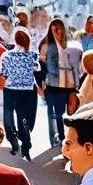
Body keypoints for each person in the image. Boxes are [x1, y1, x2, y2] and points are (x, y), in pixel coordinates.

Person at [38, 18, 82, 148]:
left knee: (69, 113)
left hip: (69, 86)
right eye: (54, 28)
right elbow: (43, 68)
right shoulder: (47, 46)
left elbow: (78, 67)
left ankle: (68, 139)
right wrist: (40, 86)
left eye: (59, 28)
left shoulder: (72, 46)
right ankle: (58, 140)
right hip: (53, 86)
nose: (57, 31)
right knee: (55, 115)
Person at [0, 28, 40, 160]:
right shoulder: (33, 55)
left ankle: (14, 142)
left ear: (15, 40)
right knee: (25, 118)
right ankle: (26, 145)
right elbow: (37, 70)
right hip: (28, 91)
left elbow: (1, 72)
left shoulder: (6, 55)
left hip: (11, 90)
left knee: (8, 117)